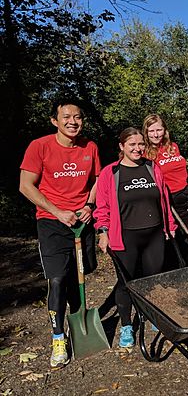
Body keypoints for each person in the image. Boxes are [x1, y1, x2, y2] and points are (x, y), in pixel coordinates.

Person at [19, 97, 101, 367]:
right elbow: (26, 186)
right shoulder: (39, 146)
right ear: (55, 121)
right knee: (57, 279)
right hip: (52, 223)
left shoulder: (90, 147)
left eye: (77, 117)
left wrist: (90, 205)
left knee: (80, 277)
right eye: (66, 117)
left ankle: (79, 327)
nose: (72, 122)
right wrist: (57, 211)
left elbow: (97, 180)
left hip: (81, 222)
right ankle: (58, 337)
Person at [94, 127, 176, 348]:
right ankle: (127, 325)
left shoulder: (152, 167)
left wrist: (170, 226)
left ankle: (152, 315)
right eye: (132, 144)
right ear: (121, 147)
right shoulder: (110, 173)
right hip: (125, 237)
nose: (138, 148)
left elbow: (164, 199)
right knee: (125, 283)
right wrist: (103, 232)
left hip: (155, 234)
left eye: (140, 144)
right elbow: (102, 207)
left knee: (153, 278)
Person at [142, 114, 188, 264]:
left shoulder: (172, 147)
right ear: (146, 133)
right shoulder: (146, 154)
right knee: (176, 237)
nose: (156, 134)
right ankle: (178, 267)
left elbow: (181, 169)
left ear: (165, 130)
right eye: (151, 131)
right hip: (170, 201)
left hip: (186, 197)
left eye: (159, 130)